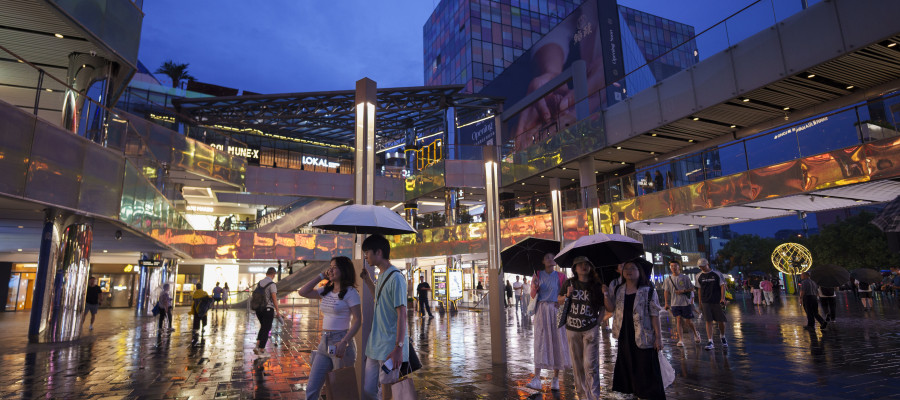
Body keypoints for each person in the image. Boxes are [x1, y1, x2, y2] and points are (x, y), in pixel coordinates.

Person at [298, 257, 361, 400]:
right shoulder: (326, 290)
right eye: (330, 267)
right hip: (324, 342)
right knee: (312, 389)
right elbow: (302, 292)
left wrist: (344, 341)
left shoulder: (351, 292)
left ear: (344, 270)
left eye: (335, 267)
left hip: (341, 342)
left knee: (342, 391)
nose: (331, 270)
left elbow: (358, 320)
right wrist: (321, 276)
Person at [605, 260, 666, 400]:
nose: (629, 271)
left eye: (633, 268)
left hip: (643, 335)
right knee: (628, 364)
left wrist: (658, 338)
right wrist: (605, 295)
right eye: (626, 268)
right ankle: (635, 392)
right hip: (624, 334)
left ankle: (646, 394)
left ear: (640, 272)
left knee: (645, 366)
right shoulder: (619, 290)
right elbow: (610, 308)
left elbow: (654, 315)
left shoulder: (648, 291)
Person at [359, 234, 408, 400]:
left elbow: (402, 314)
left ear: (378, 252)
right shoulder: (382, 275)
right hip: (375, 345)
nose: (366, 256)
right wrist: (367, 280)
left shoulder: (396, 278)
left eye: (367, 252)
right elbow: (378, 299)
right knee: (368, 389)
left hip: (390, 347)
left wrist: (398, 348)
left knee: (388, 390)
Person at [558, 256, 605, 400]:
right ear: (575, 268)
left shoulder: (596, 284)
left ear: (591, 267)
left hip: (590, 328)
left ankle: (594, 395)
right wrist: (567, 294)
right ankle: (583, 395)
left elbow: (603, 306)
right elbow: (559, 300)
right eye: (580, 265)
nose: (583, 267)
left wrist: (598, 322)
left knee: (591, 364)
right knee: (577, 365)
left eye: (586, 264)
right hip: (572, 329)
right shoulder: (569, 283)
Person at [526, 253, 570, 391]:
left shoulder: (561, 276)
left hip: (556, 309)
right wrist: (535, 286)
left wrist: (561, 302)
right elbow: (533, 295)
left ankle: (556, 378)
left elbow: (566, 294)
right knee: (540, 341)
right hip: (541, 310)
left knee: (557, 342)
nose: (551, 259)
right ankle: (537, 377)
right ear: (543, 261)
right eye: (547, 257)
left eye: (552, 257)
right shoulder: (537, 275)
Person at [663, 261, 700, 347]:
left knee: (689, 321)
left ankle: (696, 334)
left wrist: (682, 291)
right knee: (678, 320)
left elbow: (692, 288)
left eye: (675, 266)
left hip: (685, 303)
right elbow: (666, 291)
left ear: (679, 267)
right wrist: (666, 303)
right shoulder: (668, 279)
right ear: (670, 268)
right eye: (672, 266)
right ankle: (681, 340)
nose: (673, 268)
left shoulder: (685, 277)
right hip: (674, 304)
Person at [695, 259, 728, 350]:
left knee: (721, 320)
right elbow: (699, 289)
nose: (702, 268)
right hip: (706, 301)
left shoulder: (717, 274)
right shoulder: (698, 276)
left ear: (707, 264)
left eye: (703, 266)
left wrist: (722, 298)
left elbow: (722, 285)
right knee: (708, 320)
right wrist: (700, 301)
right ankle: (710, 341)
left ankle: (723, 336)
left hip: (717, 300)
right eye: (700, 266)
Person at [254, 268, 280, 357]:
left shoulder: (259, 283)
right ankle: (261, 349)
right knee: (266, 328)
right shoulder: (272, 284)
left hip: (258, 309)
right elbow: (274, 297)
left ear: (266, 274)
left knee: (263, 327)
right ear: (273, 274)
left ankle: (257, 344)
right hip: (268, 309)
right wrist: (277, 310)